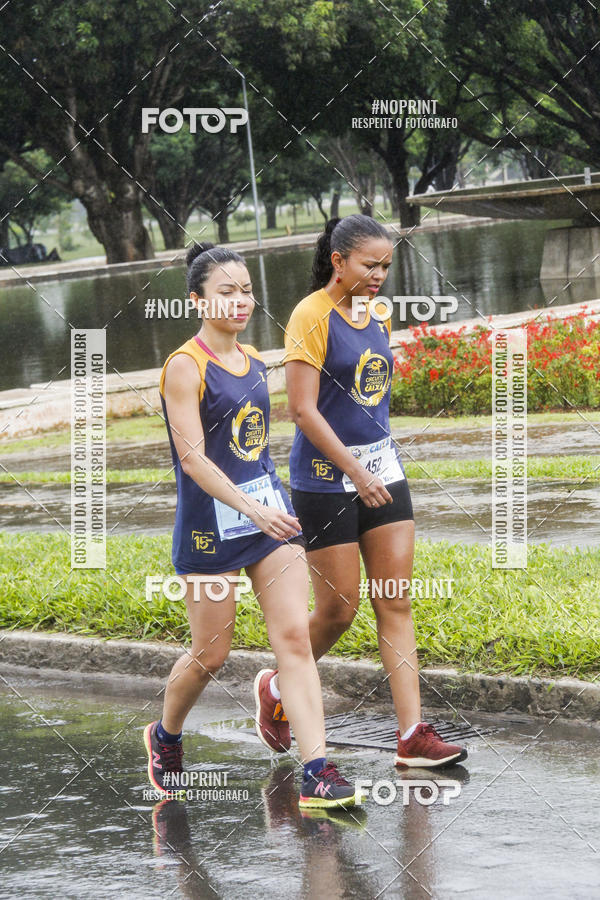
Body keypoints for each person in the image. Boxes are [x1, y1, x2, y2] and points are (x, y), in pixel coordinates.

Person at [144, 242, 356, 809]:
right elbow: (192, 458)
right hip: (209, 529)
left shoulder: (257, 361)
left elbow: (254, 447)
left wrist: (269, 506)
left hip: (268, 520)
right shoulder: (184, 367)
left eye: (245, 290)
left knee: (293, 640)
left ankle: (316, 768)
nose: (240, 301)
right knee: (211, 653)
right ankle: (165, 737)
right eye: (225, 292)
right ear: (197, 301)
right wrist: (249, 507)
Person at [255, 215, 467, 768]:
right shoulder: (309, 315)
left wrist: (375, 465)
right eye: (370, 265)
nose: (379, 276)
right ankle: (277, 688)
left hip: (383, 471)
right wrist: (353, 469)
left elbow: (371, 396)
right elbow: (301, 409)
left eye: (386, 266)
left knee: (395, 597)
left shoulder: (379, 313)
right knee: (340, 609)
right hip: (325, 481)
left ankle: (412, 735)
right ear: (338, 261)